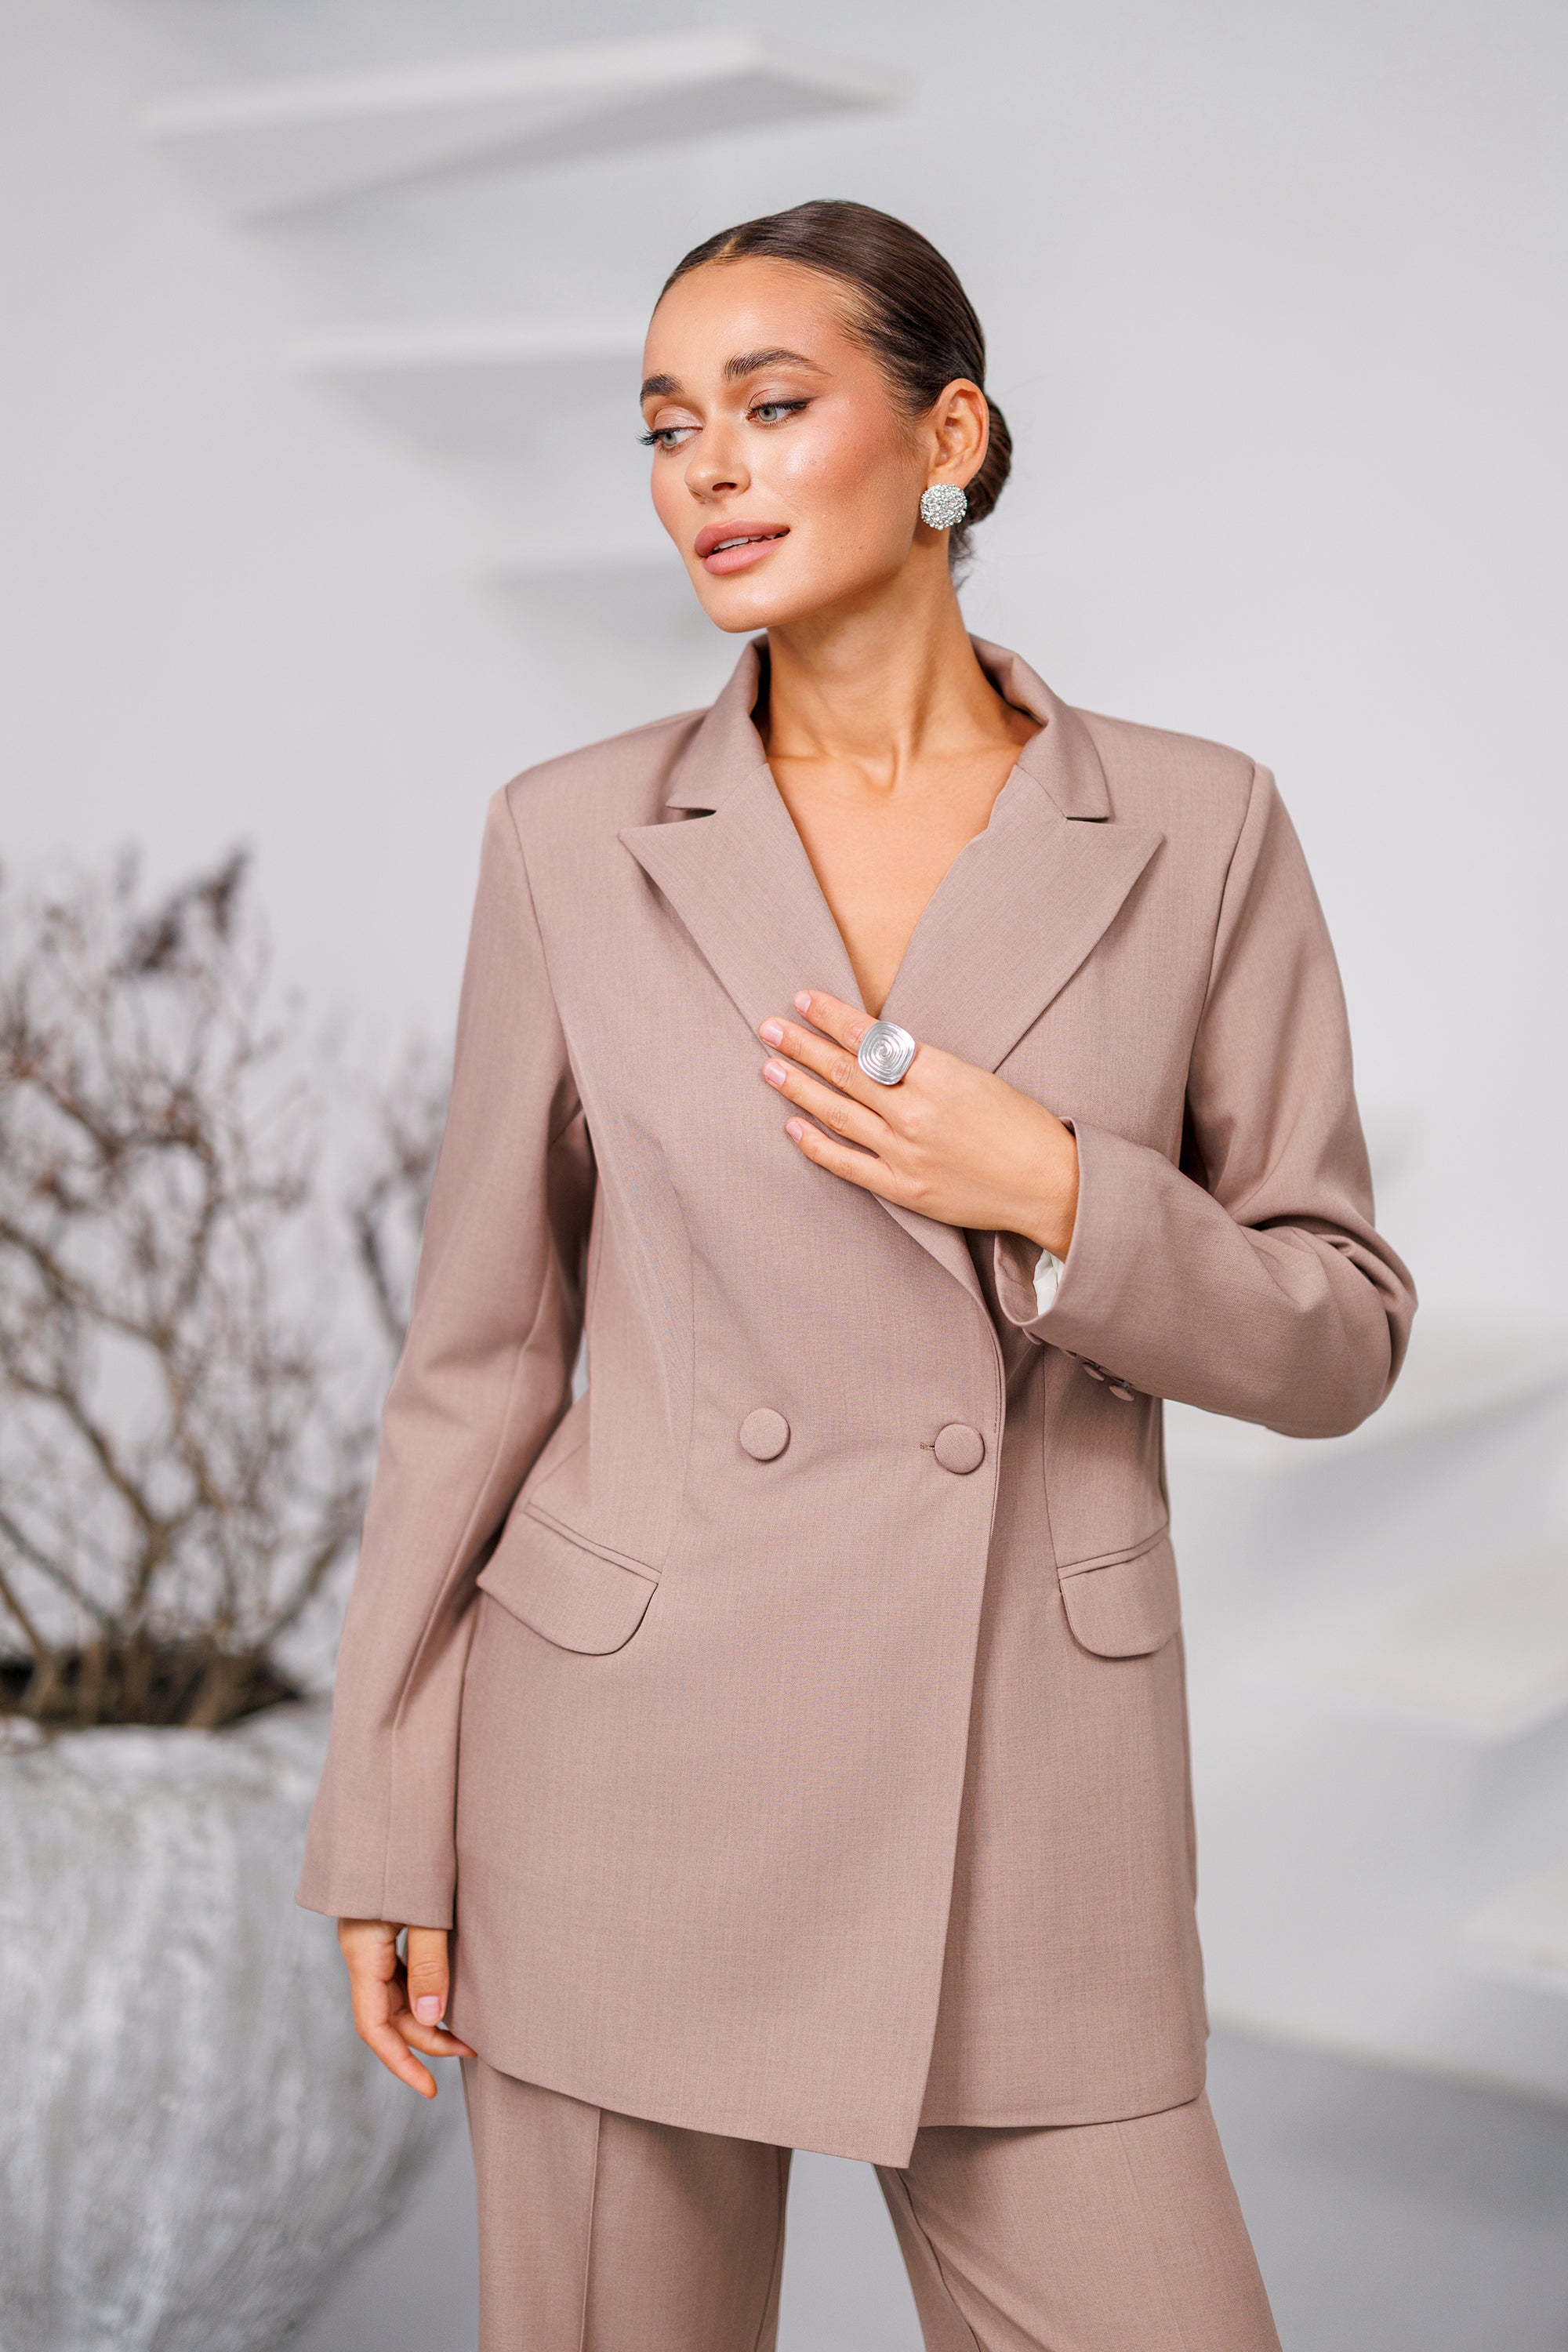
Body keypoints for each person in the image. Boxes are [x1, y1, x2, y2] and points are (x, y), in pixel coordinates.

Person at [297, 199, 1415, 2350]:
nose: (705, 471)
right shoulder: (569, 836)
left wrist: (1060, 1190)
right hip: (620, 1773)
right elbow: (478, 1368)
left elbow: (1343, 1331)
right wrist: (385, 1817)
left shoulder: (1197, 828)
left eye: (772, 406)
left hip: (1027, 1791)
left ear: (948, 440)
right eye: (666, 426)